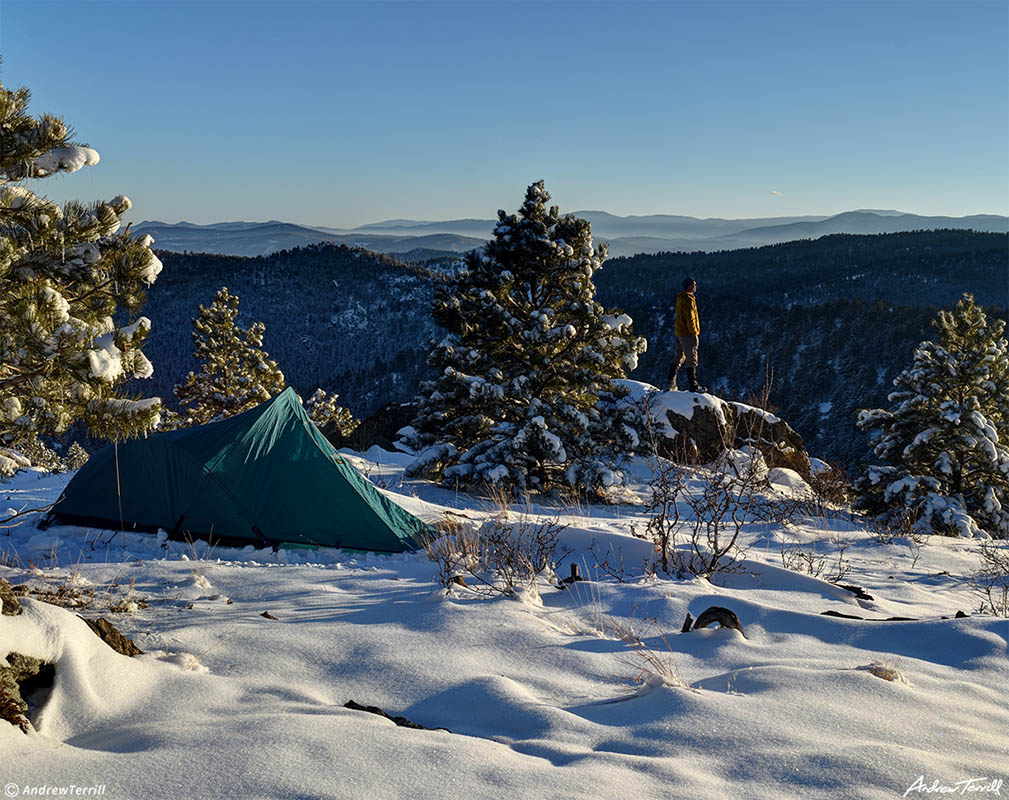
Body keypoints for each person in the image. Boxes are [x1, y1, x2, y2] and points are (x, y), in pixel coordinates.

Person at [665, 276, 706, 392]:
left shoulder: (680, 298)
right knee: (691, 357)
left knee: (678, 357)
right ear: (689, 286)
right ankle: (693, 385)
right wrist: (694, 331)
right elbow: (690, 317)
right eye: (694, 284)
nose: (695, 286)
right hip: (687, 333)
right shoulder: (688, 299)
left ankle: (670, 382)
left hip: (679, 331)